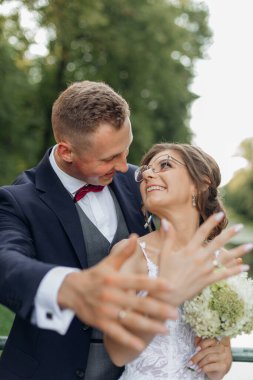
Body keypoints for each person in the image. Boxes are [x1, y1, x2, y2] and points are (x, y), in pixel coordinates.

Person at [0, 81, 249, 380]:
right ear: (67, 152)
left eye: (126, 151)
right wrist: (67, 286)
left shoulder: (139, 181)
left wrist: (223, 353)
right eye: (108, 158)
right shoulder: (17, 200)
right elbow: (6, 266)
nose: (126, 168)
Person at [105, 143, 253, 380]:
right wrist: (164, 297)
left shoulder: (222, 259)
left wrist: (222, 361)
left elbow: (222, 347)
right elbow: (118, 353)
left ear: (202, 183)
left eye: (165, 165)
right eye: (144, 172)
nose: (148, 174)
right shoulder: (129, 253)